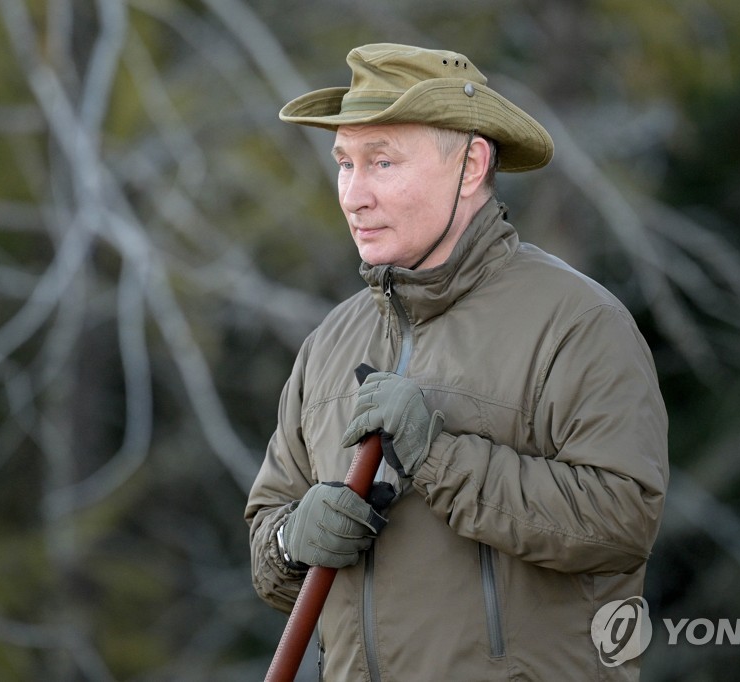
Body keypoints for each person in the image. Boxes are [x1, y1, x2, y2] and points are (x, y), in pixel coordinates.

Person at [246, 43, 669, 681]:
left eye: (381, 161)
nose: (353, 195)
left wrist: (439, 456)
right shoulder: (330, 343)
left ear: (470, 165)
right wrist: (292, 539)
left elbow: (621, 523)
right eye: (344, 164)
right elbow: (268, 553)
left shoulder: (578, 323)